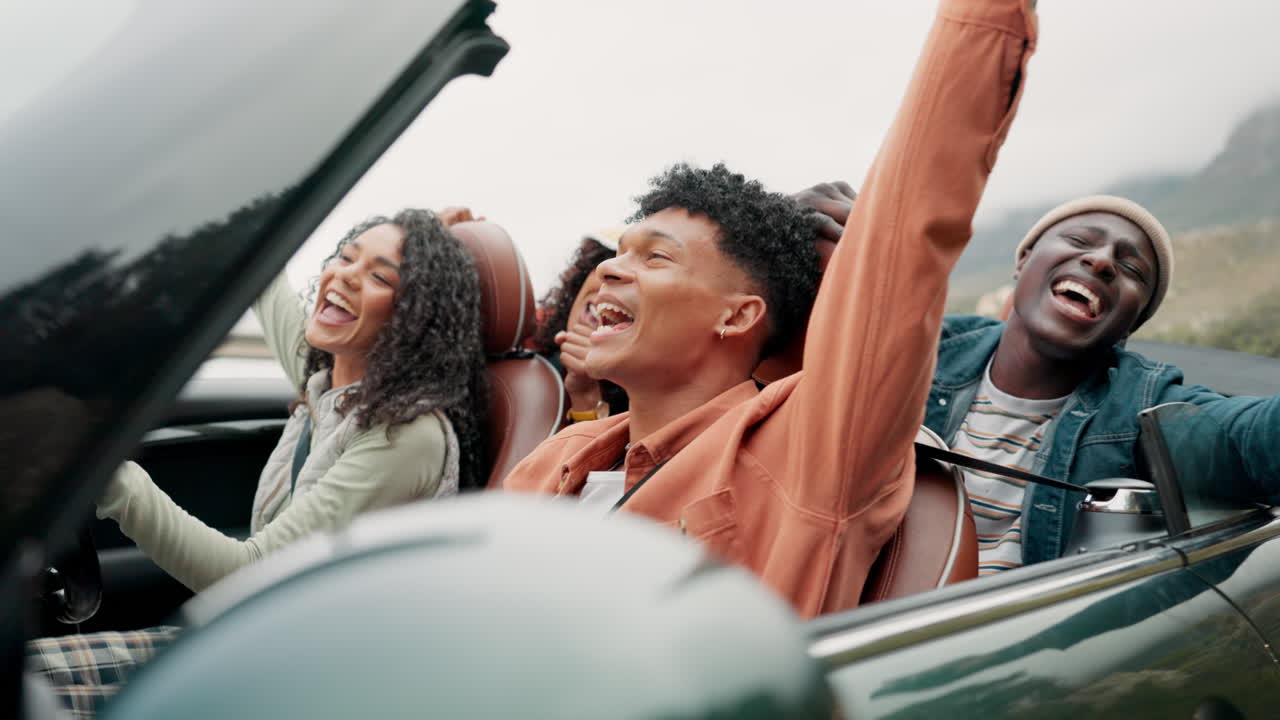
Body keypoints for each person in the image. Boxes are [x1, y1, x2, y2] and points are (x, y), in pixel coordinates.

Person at [503, 0, 1038, 618]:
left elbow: (912, 226)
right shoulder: (553, 460)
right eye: (620, 250)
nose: (610, 268)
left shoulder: (809, 444)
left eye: (656, 259)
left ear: (737, 316)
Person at [28, 208, 489, 717]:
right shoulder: (329, 380)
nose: (345, 276)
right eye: (345, 255)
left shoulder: (407, 435)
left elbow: (245, 573)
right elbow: (266, 279)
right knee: (26, 673)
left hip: (317, 681)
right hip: (264, 637)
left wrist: (111, 476)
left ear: (416, 313)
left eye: (380, 275)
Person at [923, 195, 1280, 572]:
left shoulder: (1145, 404)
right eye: (1079, 241)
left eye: (1131, 268)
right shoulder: (920, 348)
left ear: (1132, 324)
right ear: (1024, 259)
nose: (1102, 260)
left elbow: (1255, 435)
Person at [530, 229, 630, 423]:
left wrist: (586, 396)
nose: (607, 286)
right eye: (606, 263)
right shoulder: (525, 331)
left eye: (629, 281)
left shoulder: (652, 397)